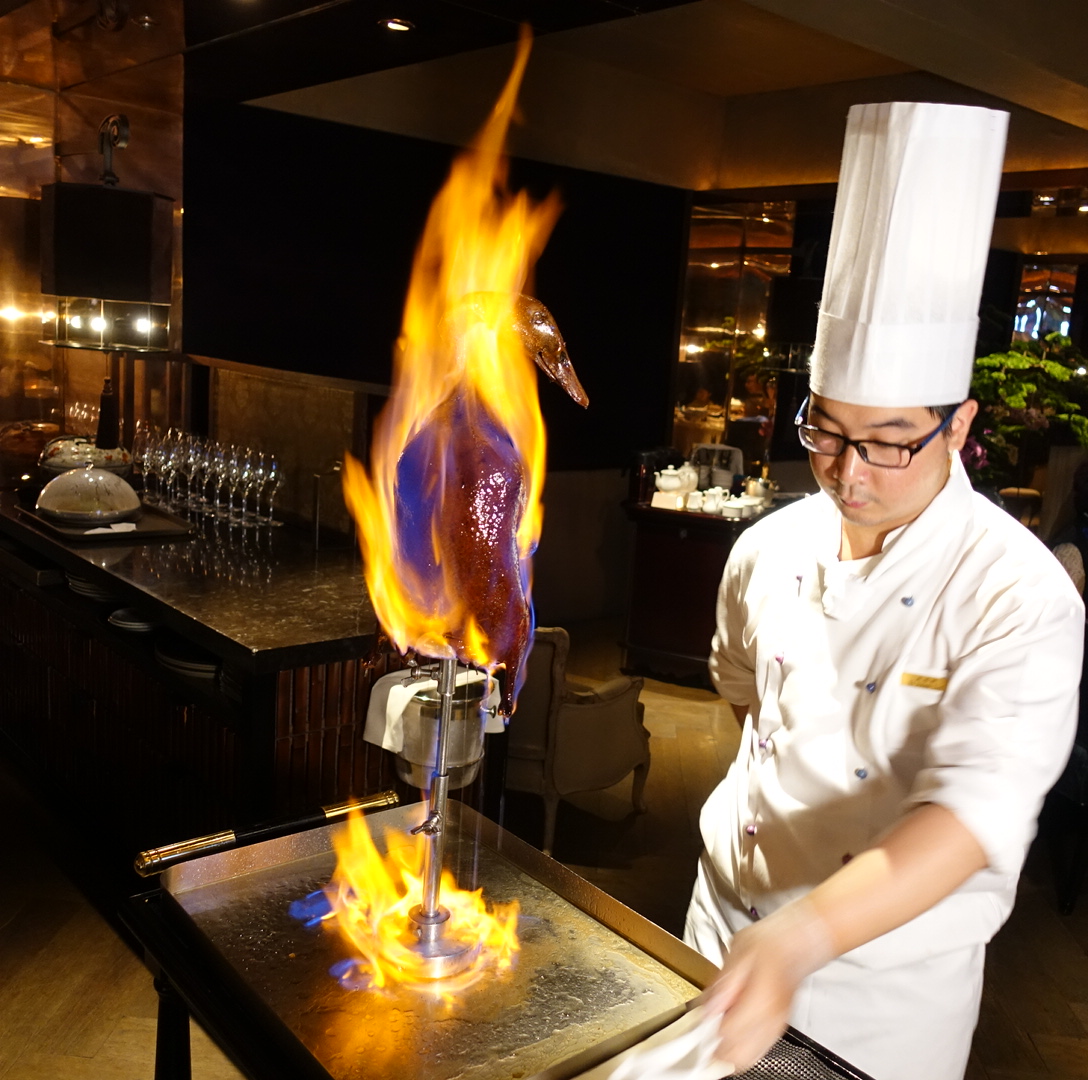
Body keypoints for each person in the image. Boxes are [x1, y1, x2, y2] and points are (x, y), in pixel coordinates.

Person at [682, 102, 1084, 1080]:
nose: (848, 470)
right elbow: (742, 695)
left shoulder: (1018, 595)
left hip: (876, 997)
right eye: (825, 429)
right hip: (715, 935)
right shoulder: (767, 547)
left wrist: (798, 934)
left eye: (890, 441)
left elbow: (972, 816)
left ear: (958, 427)